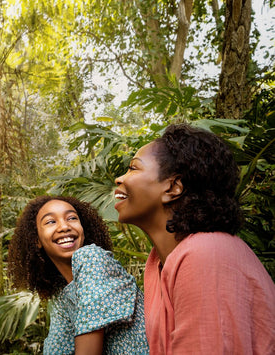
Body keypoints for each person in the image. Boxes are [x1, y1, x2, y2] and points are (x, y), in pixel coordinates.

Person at [114, 123, 275, 354]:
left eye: (133, 168)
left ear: (173, 187)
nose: (120, 179)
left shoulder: (207, 254)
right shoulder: (159, 264)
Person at [8, 195, 149, 354]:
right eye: (51, 222)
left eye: (72, 218)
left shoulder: (92, 258)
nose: (64, 227)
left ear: (83, 229)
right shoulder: (63, 296)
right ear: (36, 241)